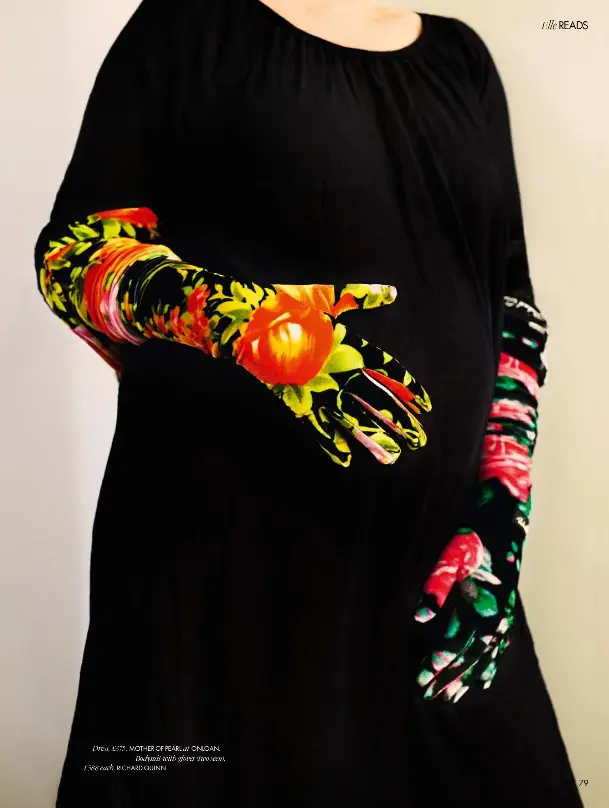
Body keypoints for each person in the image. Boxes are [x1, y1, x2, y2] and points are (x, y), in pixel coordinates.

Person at [34, 1, 584, 806]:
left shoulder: (462, 58)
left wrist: (501, 520)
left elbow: (513, 310)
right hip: (225, 568)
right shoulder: (187, 24)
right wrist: (250, 326)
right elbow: (73, 260)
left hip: (435, 572)